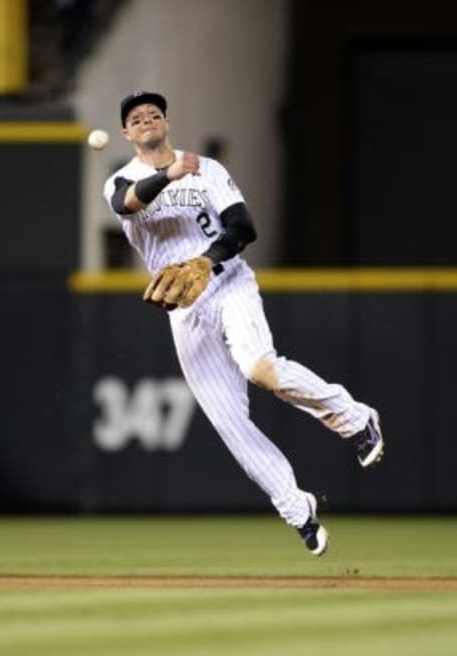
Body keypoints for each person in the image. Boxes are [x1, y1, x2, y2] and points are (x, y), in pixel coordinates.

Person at [103, 91, 384, 556]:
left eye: (154, 112)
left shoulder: (207, 169)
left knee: (259, 368)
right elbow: (125, 204)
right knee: (229, 422)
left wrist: (206, 262)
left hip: (228, 282)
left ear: (166, 121)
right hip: (184, 310)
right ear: (127, 134)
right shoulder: (122, 178)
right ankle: (298, 508)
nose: (147, 118)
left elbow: (242, 227)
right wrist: (167, 175)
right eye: (136, 117)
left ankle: (354, 418)